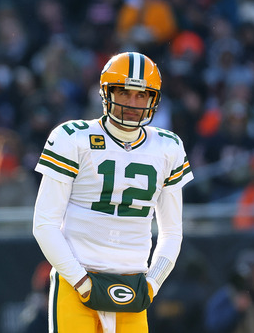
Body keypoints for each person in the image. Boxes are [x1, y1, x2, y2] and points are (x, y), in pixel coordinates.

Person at [33, 52, 193, 332]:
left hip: (133, 283)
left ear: (153, 99)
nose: (133, 103)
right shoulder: (73, 138)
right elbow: (44, 224)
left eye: (141, 95)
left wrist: (152, 284)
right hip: (75, 282)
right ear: (106, 93)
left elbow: (172, 233)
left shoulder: (168, 147)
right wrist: (81, 282)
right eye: (124, 92)